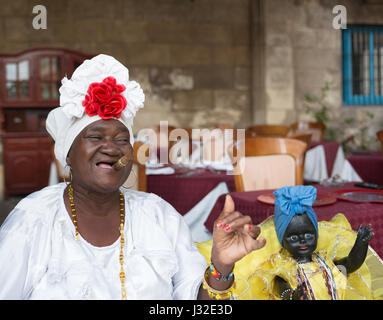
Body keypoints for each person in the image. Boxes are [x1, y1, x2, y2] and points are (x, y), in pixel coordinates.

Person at [0, 54, 266, 300]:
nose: (112, 148)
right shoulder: (33, 221)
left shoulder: (159, 215)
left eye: (122, 139)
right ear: (68, 155)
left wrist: (220, 267)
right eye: (95, 136)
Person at [197, 185, 383, 300]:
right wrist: (292, 296)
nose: (302, 240)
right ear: (282, 240)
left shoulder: (325, 262)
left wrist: (361, 243)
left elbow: (350, 264)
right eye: (293, 238)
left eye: (309, 235)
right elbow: (282, 289)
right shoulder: (282, 268)